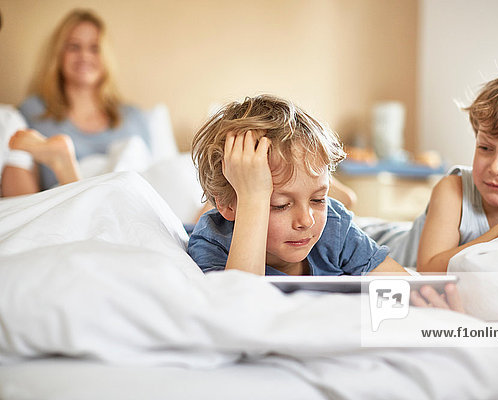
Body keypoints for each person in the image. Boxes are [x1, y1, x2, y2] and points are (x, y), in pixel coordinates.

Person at [363, 66, 498, 274]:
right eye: (485, 148)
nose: (496, 167)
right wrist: (495, 236)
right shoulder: (454, 190)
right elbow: (428, 269)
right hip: (379, 245)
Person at [187, 94, 408, 276]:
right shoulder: (213, 242)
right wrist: (253, 200)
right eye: (280, 205)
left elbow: (401, 283)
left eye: (318, 199)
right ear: (228, 204)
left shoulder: (334, 225)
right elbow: (241, 307)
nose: (306, 220)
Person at [1, 9, 151, 196]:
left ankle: (67, 167)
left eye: (94, 48)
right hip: (67, 208)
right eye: (74, 47)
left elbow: (152, 180)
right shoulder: (34, 112)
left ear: (106, 57)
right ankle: (67, 170)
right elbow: (22, 182)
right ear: (58, 55)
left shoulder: (134, 118)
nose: (84, 56)